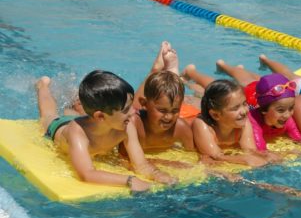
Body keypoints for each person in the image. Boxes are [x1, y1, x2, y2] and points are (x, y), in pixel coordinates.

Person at [36, 70, 175, 192]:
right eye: (126, 109)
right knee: (48, 115)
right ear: (101, 116)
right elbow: (87, 174)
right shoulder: (77, 134)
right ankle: (42, 86)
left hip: (92, 122)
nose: (133, 112)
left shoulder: (126, 127)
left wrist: (157, 174)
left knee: (76, 113)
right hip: (58, 128)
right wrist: (129, 180)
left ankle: (74, 101)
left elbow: (140, 164)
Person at [182, 66, 270, 167]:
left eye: (245, 104)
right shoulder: (202, 125)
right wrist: (243, 159)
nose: (244, 111)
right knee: (197, 96)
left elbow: (250, 150)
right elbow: (215, 156)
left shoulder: (243, 122)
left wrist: (266, 155)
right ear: (216, 115)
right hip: (188, 112)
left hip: (212, 107)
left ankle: (191, 74)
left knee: (210, 94)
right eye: (236, 108)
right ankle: (187, 76)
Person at [210, 60, 301, 151]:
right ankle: (223, 66)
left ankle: (250, 66)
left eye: (291, 108)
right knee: (243, 81)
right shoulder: (254, 122)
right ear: (264, 110)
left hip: (267, 96)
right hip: (251, 94)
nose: (288, 115)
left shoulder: (285, 117)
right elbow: (261, 149)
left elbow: (299, 139)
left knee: (255, 79)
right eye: (281, 110)